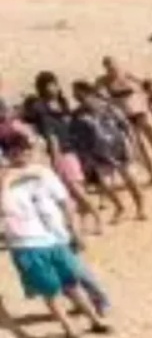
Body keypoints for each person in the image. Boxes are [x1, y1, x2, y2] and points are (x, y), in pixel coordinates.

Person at [2, 130, 109, 338]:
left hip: (54, 238)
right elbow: (4, 210)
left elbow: (64, 201)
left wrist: (74, 230)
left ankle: (95, 321)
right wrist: (8, 180)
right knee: (49, 290)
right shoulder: (3, 178)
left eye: (24, 149)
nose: (20, 154)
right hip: (26, 244)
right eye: (14, 151)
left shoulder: (43, 172)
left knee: (72, 283)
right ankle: (70, 331)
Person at [20, 73, 102, 234]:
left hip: (69, 150)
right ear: (42, 88)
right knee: (73, 190)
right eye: (49, 85)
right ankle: (83, 223)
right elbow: (50, 134)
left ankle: (96, 217)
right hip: (59, 151)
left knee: (76, 189)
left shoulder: (61, 103)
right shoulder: (41, 107)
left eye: (55, 84)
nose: (54, 88)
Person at [69, 81, 145, 222]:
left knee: (130, 178)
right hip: (98, 151)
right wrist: (85, 155)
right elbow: (77, 136)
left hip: (118, 147)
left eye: (76, 92)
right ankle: (120, 207)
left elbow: (125, 124)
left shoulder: (108, 106)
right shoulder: (77, 114)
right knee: (106, 184)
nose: (74, 95)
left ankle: (140, 208)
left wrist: (133, 143)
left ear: (85, 92)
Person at [99, 57, 152, 183]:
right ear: (105, 68)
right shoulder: (104, 81)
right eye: (109, 67)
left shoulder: (125, 74)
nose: (112, 69)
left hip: (138, 111)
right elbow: (95, 92)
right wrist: (108, 102)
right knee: (140, 145)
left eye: (113, 66)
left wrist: (150, 93)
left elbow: (143, 83)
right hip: (125, 116)